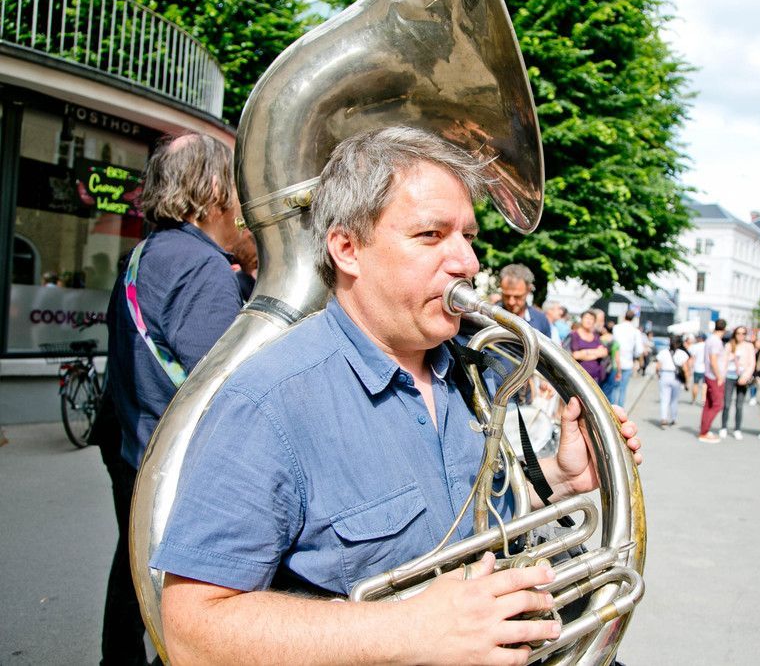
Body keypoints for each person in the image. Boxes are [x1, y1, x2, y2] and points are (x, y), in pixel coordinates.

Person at [150, 127, 641, 664]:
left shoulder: (469, 368)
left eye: (468, 236)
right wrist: (409, 630)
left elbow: (473, 513)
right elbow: (192, 632)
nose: (468, 263)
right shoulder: (268, 401)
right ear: (347, 249)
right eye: (431, 235)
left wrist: (560, 478)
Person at [103, 133, 245, 665]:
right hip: (185, 465)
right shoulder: (202, 265)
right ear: (213, 188)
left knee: (135, 569)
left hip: (136, 449)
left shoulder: (144, 254)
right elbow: (228, 385)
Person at [720, 326, 755, 440]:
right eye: (738, 333)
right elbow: (723, 362)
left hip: (742, 377)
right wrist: (722, 377)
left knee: (739, 405)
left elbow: (752, 363)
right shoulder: (729, 345)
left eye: (743, 333)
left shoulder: (749, 346)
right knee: (726, 404)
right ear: (735, 334)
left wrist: (745, 377)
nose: (740, 335)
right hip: (729, 376)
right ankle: (723, 427)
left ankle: (737, 429)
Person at [499, 264, 551, 338]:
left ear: (528, 290)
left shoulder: (541, 321)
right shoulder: (488, 315)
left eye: (517, 297)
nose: (511, 302)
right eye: (506, 296)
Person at [697, 319, 727, 443]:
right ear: (724, 329)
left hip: (709, 375)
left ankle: (704, 429)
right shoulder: (716, 341)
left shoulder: (710, 339)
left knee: (709, 404)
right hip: (714, 377)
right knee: (717, 404)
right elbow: (713, 359)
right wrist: (719, 376)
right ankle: (704, 431)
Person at [610, 310, 646, 407]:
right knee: (623, 389)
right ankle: (620, 411)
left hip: (615, 361)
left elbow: (612, 343)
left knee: (614, 387)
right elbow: (639, 350)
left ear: (624, 316)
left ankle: (611, 410)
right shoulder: (635, 331)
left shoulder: (616, 328)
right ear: (633, 318)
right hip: (627, 362)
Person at [655, 336, 688, 428]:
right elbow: (685, 369)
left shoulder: (663, 352)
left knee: (664, 398)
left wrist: (659, 375)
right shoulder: (682, 353)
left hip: (665, 375)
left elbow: (657, 367)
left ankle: (664, 418)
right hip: (676, 377)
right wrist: (686, 382)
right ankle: (673, 418)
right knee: (674, 400)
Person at [690, 333, 707, 405]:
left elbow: (693, 358)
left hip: (697, 368)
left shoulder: (695, 346)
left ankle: (694, 400)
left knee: (695, 384)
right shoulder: (707, 346)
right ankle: (703, 400)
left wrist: (691, 368)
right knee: (704, 385)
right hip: (705, 368)